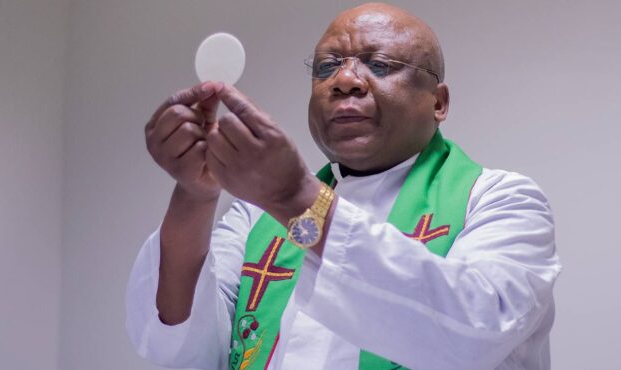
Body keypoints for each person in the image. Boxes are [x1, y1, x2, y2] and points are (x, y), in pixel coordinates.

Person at [126, 3, 561, 370]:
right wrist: (196, 193)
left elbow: (475, 334)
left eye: (379, 65)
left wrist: (294, 198)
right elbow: (181, 349)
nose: (345, 80)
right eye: (327, 67)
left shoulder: (501, 201)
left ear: (439, 102)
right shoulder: (257, 217)